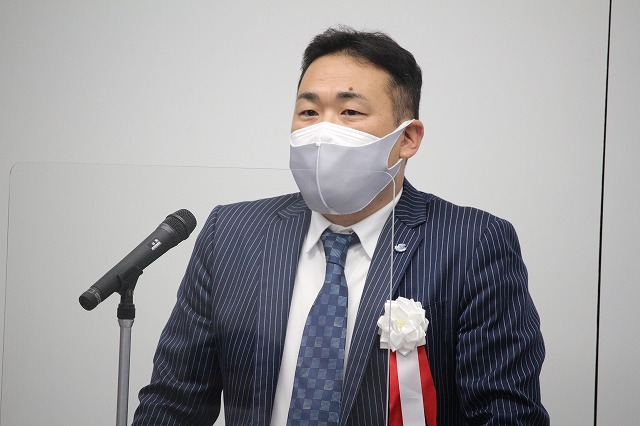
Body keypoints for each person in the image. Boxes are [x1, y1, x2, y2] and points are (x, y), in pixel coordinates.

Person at [132, 26, 549, 425]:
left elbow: (505, 413)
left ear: (407, 139)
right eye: (309, 112)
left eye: (350, 112)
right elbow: (175, 401)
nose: (322, 132)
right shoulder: (232, 233)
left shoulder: (472, 243)